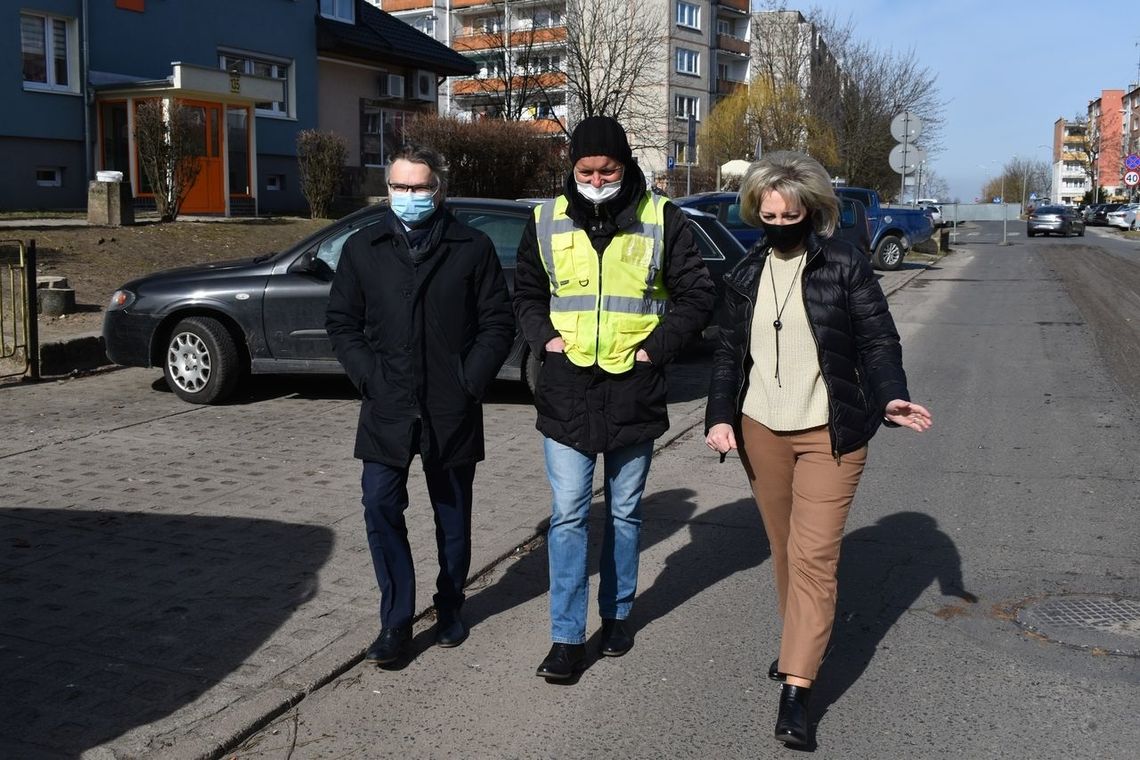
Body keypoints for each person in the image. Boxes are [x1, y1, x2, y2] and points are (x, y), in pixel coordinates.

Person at [704, 151, 933, 746]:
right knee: (783, 551)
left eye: (790, 215)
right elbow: (728, 355)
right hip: (760, 432)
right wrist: (718, 417)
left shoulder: (845, 265)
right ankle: (796, 644)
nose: (779, 225)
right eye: (768, 215)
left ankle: (797, 690)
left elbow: (879, 340)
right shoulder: (744, 274)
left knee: (813, 559)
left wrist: (890, 397)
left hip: (831, 434)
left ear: (813, 210)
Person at [513, 116, 716, 680]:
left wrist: (658, 348)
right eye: (586, 170)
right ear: (571, 168)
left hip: (634, 383)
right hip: (567, 386)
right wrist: (544, 340)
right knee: (570, 513)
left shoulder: (661, 217)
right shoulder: (545, 219)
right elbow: (526, 292)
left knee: (624, 512)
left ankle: (619, 614)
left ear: (625, 166)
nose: (597, 178)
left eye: (608, 169)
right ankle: (566, 638)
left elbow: (698, 294)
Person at [326, 144, 514, 665]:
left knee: (452, 515)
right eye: (398, 187)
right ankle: (396, 620)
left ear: (439, 189)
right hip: (387, 406)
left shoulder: (470, 247)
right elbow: (342, 323)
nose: (408, 196)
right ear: (386, 189)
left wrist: (468, 380)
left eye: (418, 187)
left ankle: (451, 605)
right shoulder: (364, 247)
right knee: (379, 504)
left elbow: (498, 324)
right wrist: (367, 376)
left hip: (450, 407)